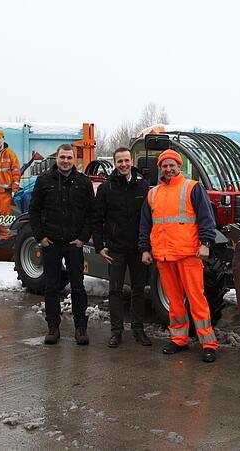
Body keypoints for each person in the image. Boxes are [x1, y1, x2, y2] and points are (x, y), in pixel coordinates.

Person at [139, 149, 219, 363]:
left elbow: (206, 218)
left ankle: (208, 344)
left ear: (179, 166)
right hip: (164, 256)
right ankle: (179, 340)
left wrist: (206, 243)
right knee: (175, 302)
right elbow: (145, 224)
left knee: (197, 300)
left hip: (188, 254)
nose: (168, 168)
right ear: (160, 169)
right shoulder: (153, 193)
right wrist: (145, 249)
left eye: (172, 165)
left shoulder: (192, 187)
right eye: (165, 165)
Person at [29, 144, 94, 346]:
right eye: (62, 157)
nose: (65, 161)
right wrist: (41, 237)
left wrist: (83, 238)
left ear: (74, 159)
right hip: (52, 243)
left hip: (74, 244)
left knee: (77, 287)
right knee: (51, 287)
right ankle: (53, 328)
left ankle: (80, 328)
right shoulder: (43, 182)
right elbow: (34, 211)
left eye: (69, 157)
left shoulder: (83, 183)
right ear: (56, 158)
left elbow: (91, 214)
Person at [92, 147, 151, 348]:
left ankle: (138, 330)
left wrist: (146, 247)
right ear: (115, 164)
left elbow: (149, 219)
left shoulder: (143, 186)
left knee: (138, 290)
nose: (124, 164)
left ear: (131, 161)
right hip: (115, 249)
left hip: (137, 248)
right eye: (120, 161)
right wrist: (99, 246)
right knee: (115, 291)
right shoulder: (106, 188)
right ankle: (116, 332)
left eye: (126, 160)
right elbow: (97, 219)